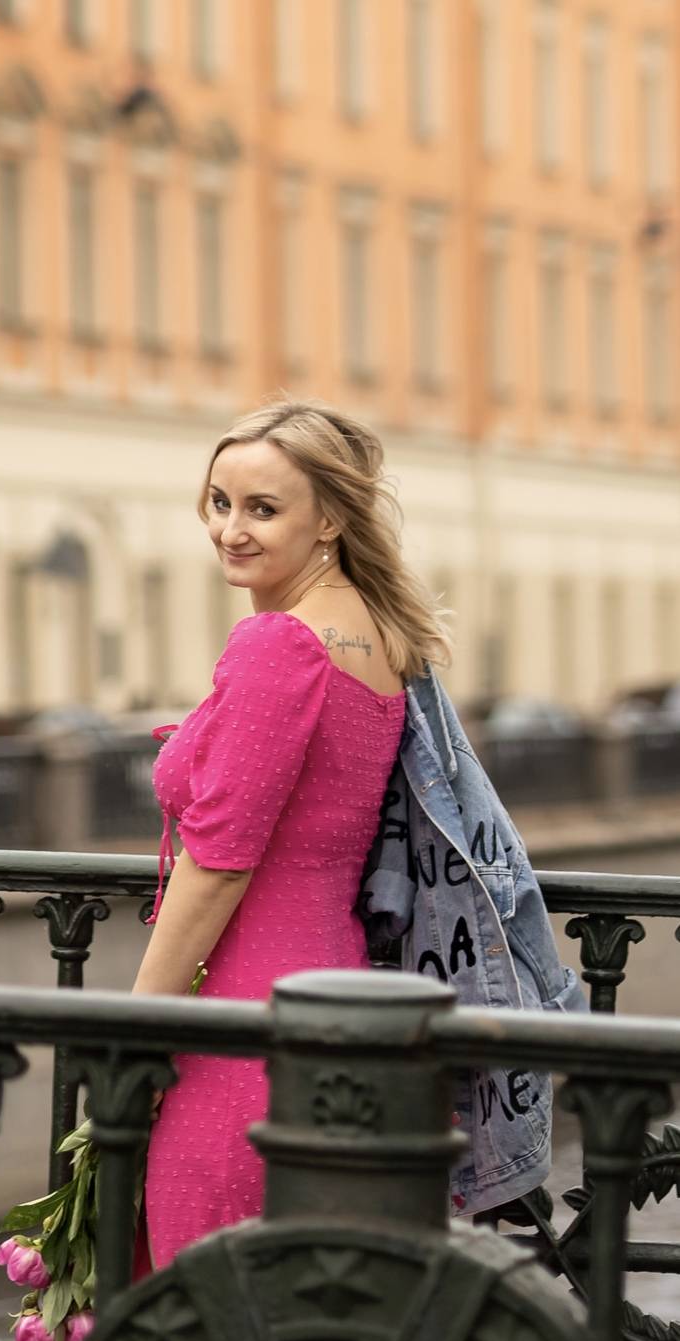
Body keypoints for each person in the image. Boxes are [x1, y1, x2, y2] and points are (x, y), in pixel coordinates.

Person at [131, 399, 453, 1270]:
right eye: (219, 502)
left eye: (262, 509)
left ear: (331, 519)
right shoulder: (378, 634)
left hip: (245, 1033)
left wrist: (132, 1027)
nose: (229, 530)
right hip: (333, 1005)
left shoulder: (280, 643)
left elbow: (220, 861)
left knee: (204, 1304)